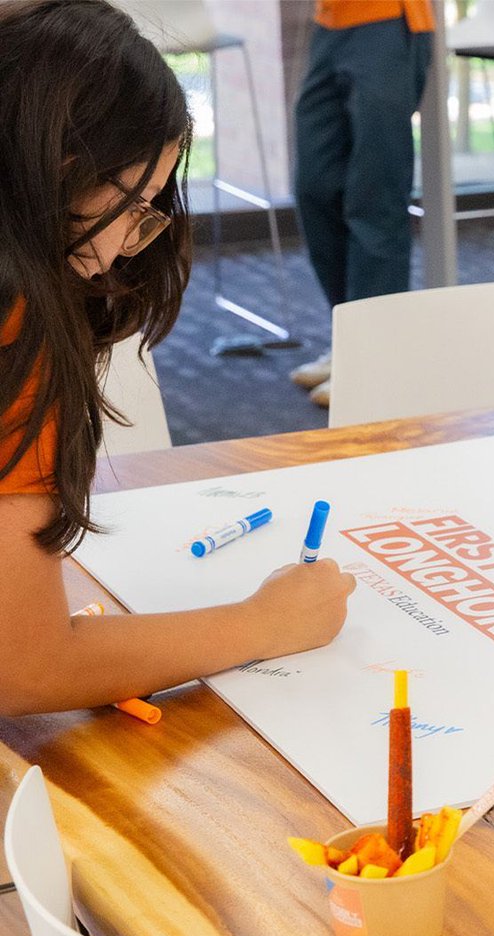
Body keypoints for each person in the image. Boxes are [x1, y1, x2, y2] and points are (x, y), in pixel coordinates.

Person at [0, 0, 356, 718]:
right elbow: (25, 669)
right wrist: (266, 623)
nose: (126, 248)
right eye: (137, 208)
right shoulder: (18, 325)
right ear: (65, 167)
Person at [290, 0, 434, 407]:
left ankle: (375, 360)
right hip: (330, 23)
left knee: (375, 201)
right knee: (314, 188)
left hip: (389, 23)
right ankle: (351, 340)